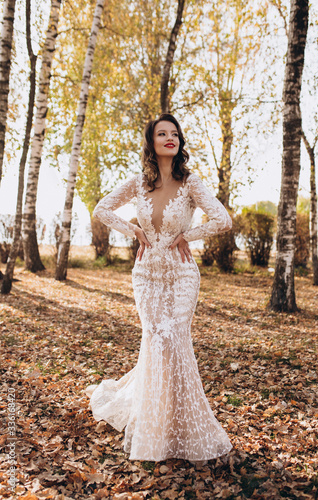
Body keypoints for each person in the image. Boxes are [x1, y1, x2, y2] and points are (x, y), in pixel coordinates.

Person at [85, 113, 233, 464]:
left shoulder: (191, 183)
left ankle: (185, 429)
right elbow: (101, 208)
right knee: (156, 338)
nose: (171, 138)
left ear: (180, 142)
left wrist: (189, 235)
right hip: (146, 274)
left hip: (182, 274)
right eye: (162, 134)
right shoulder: (138, 183)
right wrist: (133, 230)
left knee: (174, 337)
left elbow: (223, 220)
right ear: (151, 143)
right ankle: (155, 428)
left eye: (175, 133)